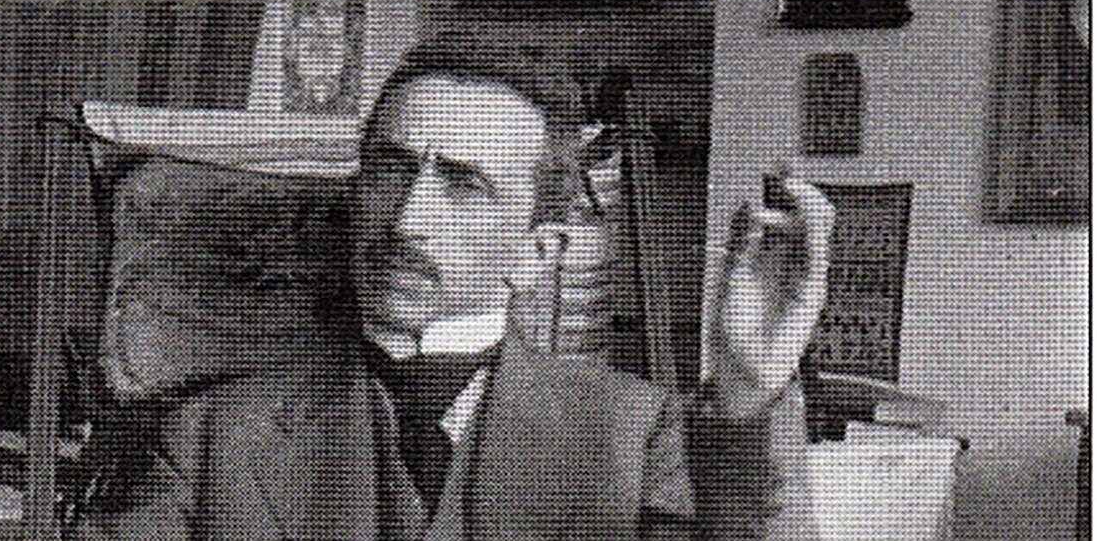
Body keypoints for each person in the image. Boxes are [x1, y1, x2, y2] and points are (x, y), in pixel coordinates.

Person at [75, 30, 833, 540]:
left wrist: (749, 387)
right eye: (392, 169)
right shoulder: (208, 437)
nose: (408, 218)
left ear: (536, 250)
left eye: (464, 184)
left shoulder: (631, 433)